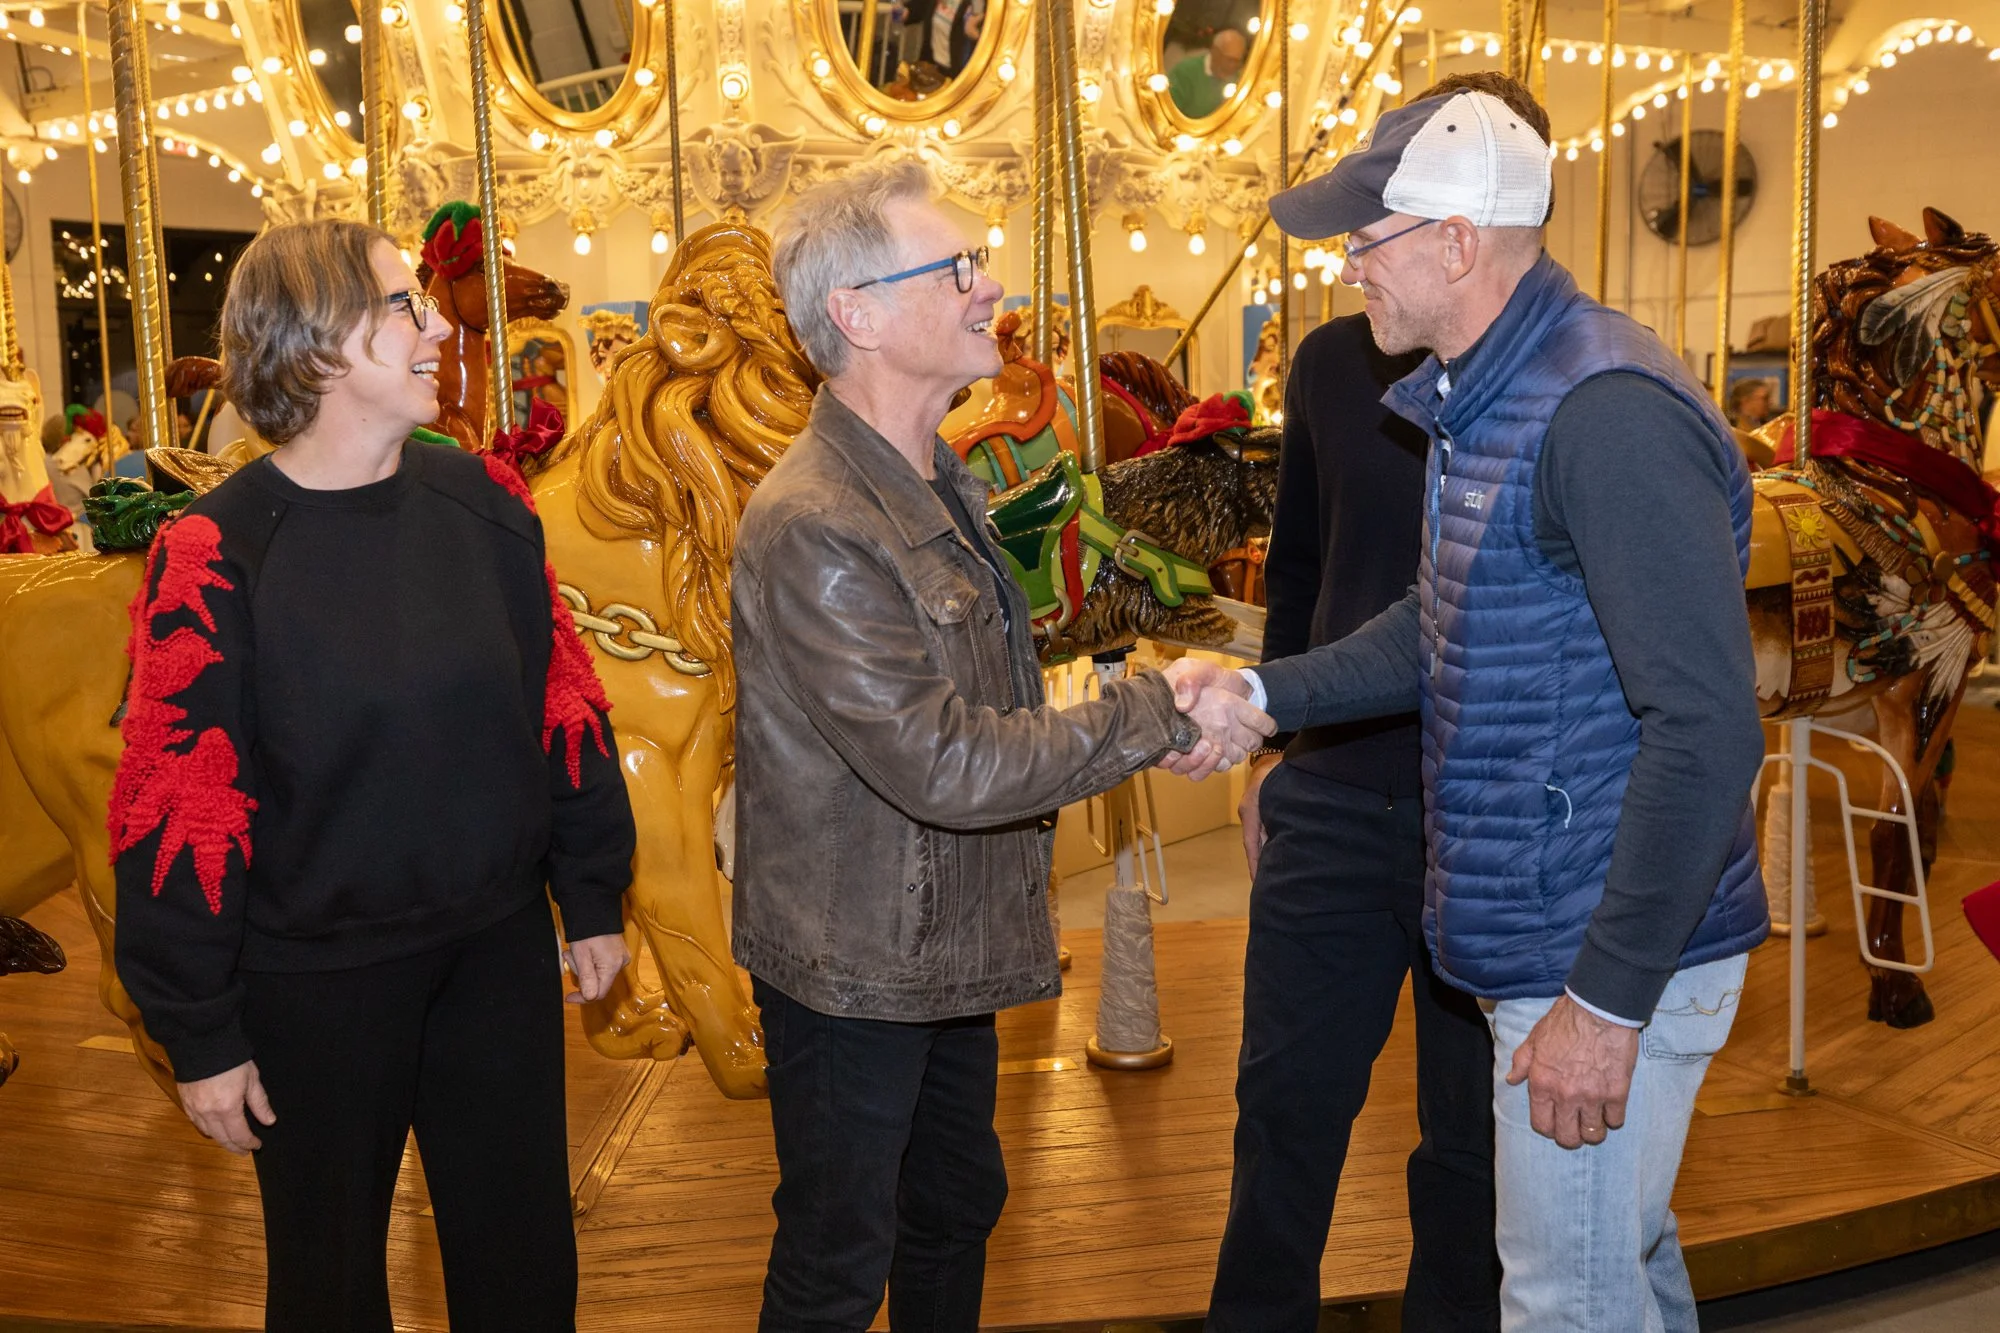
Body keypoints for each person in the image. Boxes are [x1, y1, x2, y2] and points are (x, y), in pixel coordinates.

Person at [1172, 76, 1768, 1331]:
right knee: (1623, 1272)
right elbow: (1432, 623)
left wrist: (1602, 1003)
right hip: (1549, 928)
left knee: (1567, 1301)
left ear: (1455, 240)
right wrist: (1261, 693)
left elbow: (1707, 727)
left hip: (1590, 952)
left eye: (1367, 240)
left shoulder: (1599, 413)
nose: (1349, 270)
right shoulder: (1487, 393)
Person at [734, 160, 1272, 1333]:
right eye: (957, 268)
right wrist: (1156, 716)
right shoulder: (818, 520)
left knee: (953, 1208)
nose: (990, 288)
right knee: (837, 1256)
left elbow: (999, 682)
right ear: (858, 312)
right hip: (857, 961)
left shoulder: (938, 479)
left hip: (941, 939)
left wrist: (1156, 684)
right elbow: (945, 761)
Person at [110, 218, 637, 1331]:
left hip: (493, 952)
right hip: (313, 983)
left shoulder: (489, 506)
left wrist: (590, 890)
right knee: (330, 1279)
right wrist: (199, 1028)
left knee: (524, 1261)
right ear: (314, 347)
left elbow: (562, 704)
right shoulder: (215, 551)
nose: (440, 324)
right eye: (406, 306)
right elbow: (173, 799)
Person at [1206, 297, 1501, 1324]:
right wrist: (1274, 749)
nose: (1360, 251)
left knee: (1468, 1139)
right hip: (1329, 788)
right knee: (1282, 1109)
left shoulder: (1543, 370)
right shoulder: (1331, 360)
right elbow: (1296, 567)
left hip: (1476, 809)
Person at [1168, 28, 1248, 119]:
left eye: (1238, 61)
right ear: (1215, 51)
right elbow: (1167, 112)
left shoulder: (1240, 79)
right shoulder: (1185, 71)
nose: (1233, 66)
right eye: (1230, 60)